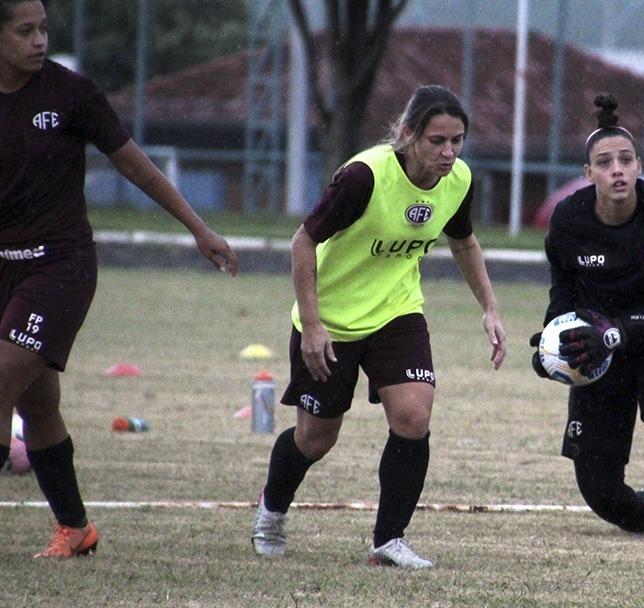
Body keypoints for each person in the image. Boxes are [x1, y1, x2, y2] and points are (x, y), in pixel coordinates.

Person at [0, 0, 238, 558]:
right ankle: (76, 528)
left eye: (44, 29)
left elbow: (134, 163)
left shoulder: (71, 94)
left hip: (59, 267)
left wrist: (198, 229)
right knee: (37, 407)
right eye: (24, 30)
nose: (39, 40)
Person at [250, 84, 507, 569]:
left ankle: (389, 541)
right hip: (332, 320)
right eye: (437, 140)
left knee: (414, 418)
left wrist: (490, 308)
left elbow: (464, 243)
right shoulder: (364, 176)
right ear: (408, 134)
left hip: (396, 312)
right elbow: (302, 242)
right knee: (315, 439)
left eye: (457, 140)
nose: (448, 152)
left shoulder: (458, 181)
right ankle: (271, 511)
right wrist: (312, 325)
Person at [530, 94, 644, 540]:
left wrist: (618, 332)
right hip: (598, 355)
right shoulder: (568, 221)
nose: (616, 169)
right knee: (599, 489)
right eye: (604, 162)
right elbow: (564, 291)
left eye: (625, 160)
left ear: (638, 167)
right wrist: (551, 344)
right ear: (588, 173)